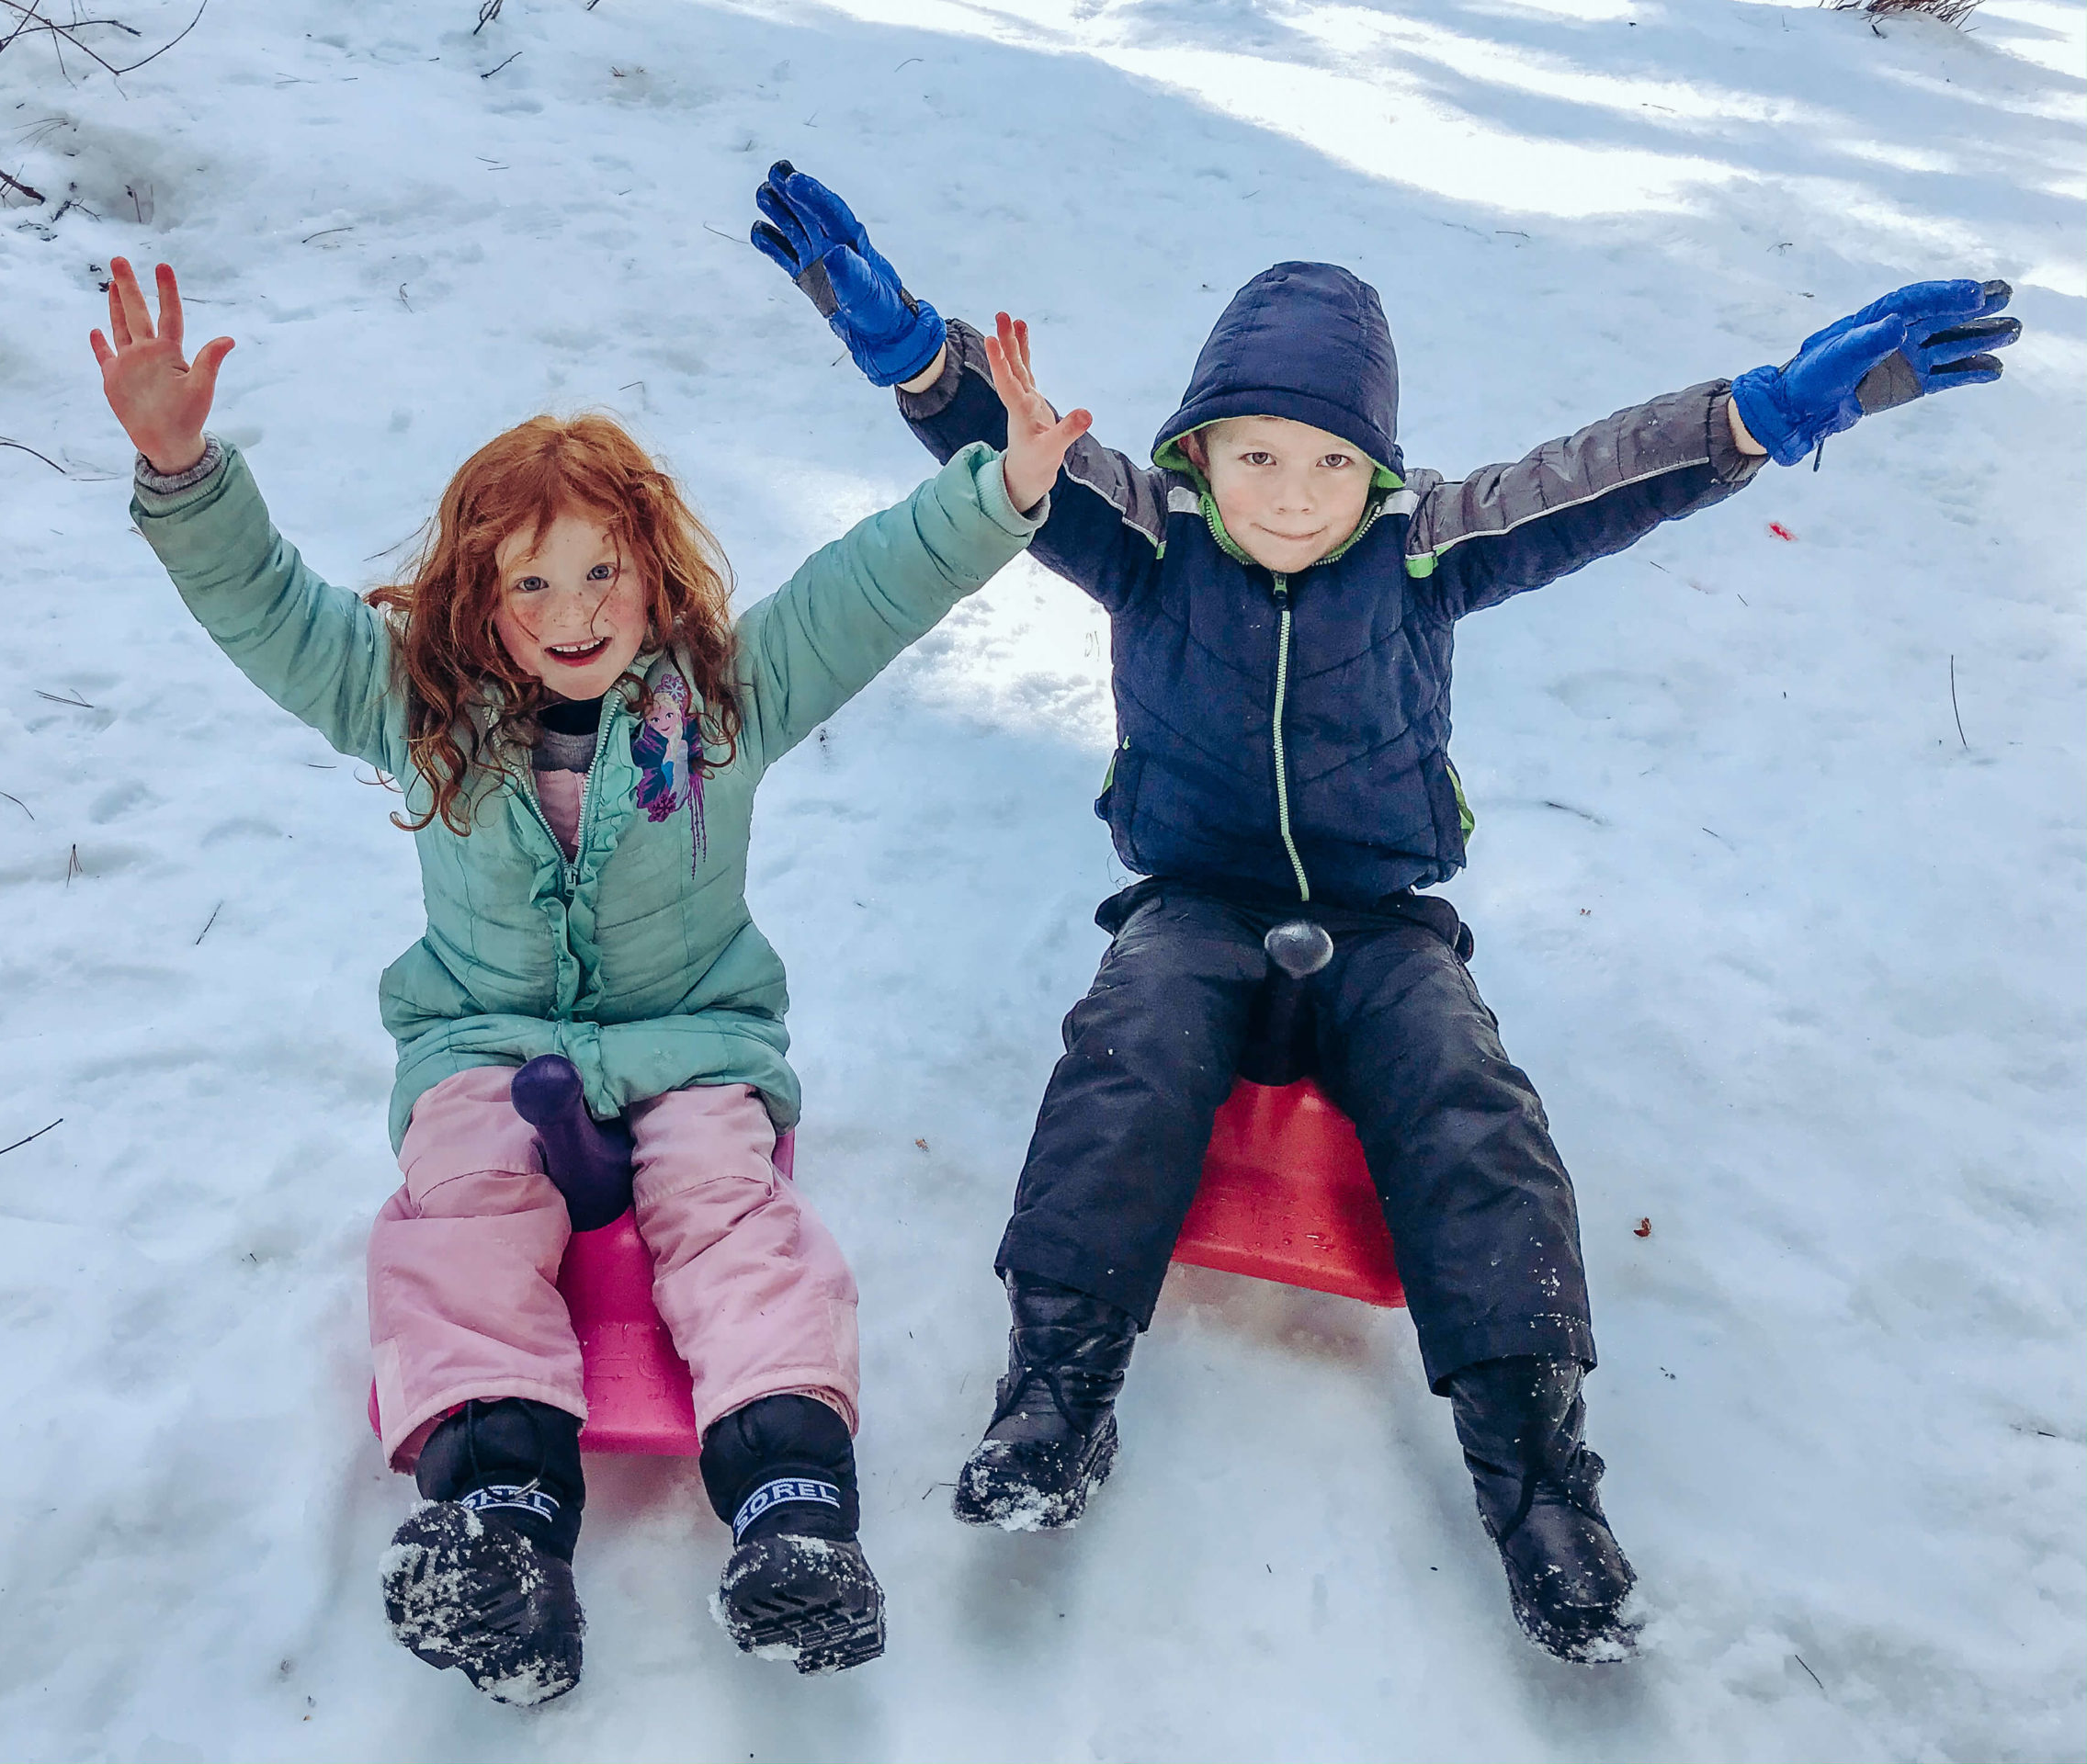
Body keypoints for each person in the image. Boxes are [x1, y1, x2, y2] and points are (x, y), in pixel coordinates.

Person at [748, 163, 2021, 1663]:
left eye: (1332, 468)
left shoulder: (1428, 551)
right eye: (1259, 460)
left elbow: (1592, 477)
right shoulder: (1145, 537)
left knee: (1471, 1110)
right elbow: (1012, 449)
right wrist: (912, 354)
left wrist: (1758, 413)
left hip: (1383, 924)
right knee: (1124, 1058)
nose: (1294, 497)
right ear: (1200, 452)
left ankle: (1540, 1476)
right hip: (1194, 904)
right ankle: (1056, 1393)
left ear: (1382, 473)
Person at [88, 256, 1089, 1703]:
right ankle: (501, 1528)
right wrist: (182, 472)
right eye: (531, 581)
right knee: (466, 1218)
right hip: (484, 1041)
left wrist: (995, 493)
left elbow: (869, 590)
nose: (572, 610)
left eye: (601, 571)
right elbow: (274, 611)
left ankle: (791, 1509)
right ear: (476, 598)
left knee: (731, 1216)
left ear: (651, 570)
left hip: (692, 1041)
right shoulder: (419, 710)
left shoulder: (727, 699)